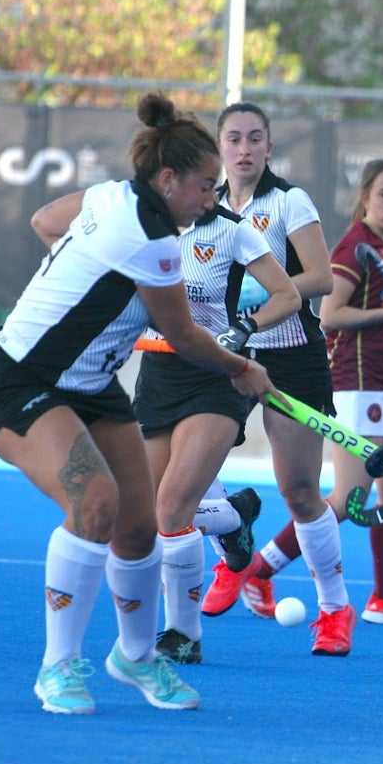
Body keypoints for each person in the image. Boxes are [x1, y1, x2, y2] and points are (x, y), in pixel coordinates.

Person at [0, 92, 284, 714]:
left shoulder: (111, 194)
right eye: (203, 186)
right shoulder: (152, 238)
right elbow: (189, 338)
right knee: (97, 504)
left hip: (92, 387)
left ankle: (135, 658)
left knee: (141, 527)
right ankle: (57, 666)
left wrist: (74, 275)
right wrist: (245, 369)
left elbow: (44, 222)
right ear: (168, 180)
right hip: (19, 381)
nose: (210, 200)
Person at [239, 158, 383, 627]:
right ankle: (257, 569)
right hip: (353, 384)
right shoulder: (355, 248)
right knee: (350, 495)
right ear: (364, 197)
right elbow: (330, 315)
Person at [195, 101, 358, 656]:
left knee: (300, 491)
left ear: (269, 147)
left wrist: (258, 298)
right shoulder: (204, 205)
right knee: (186, 475)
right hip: (225, 358)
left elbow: (321, 278)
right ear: (219, 147)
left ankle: (335, 608)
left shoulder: (289, 202)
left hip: (290, 359)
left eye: (254, 139)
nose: (244, 150)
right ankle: (231, 549)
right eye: (234, 139)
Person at [135, 201, 301, 665]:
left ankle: (183, 636)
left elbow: (287, 296)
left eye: (211, 181)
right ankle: (234, 516)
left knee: (172, 508)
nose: (206, 190)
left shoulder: (234, 230)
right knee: (147, 515)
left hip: (216, 375)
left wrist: (243, 329)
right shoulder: (144, 226)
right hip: (158, 376)